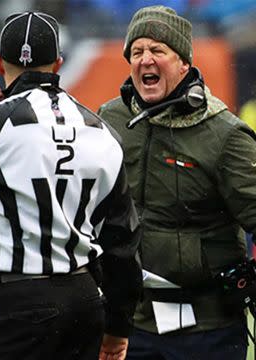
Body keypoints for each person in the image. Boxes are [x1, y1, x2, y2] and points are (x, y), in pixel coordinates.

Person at [0, 12, 142, 360]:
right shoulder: (103, 132)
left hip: (15, 301)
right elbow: (122, 240)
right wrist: (119, 325)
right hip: (85, 298)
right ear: (59, 63)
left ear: (0, 63)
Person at [98, 6, 256, 359]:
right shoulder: (109, 120)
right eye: (137, 52)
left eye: (158, 50)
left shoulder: (225, 134)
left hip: (210, 330)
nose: (145, 59)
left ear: (184, 62)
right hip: (132, 325)